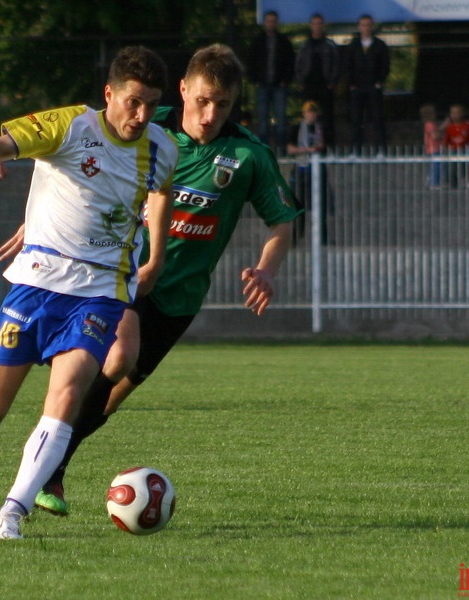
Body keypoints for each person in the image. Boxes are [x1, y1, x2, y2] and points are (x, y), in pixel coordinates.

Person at [25, 44, 300, 517]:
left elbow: (282, 222)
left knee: (112, 395)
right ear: (184, 90)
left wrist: (266, 269)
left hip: (181, 297)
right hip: (125, 272)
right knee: (118, 355)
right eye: (202, 100)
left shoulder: (247, 155)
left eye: (223, 104)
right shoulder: (148, 125)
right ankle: (43, 459)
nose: (211, 113)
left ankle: (53, 461)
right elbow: (80, 156)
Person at [0, 46, 178, 541]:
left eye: (150, 104)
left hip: (101, 292)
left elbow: (161, 189)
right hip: (37, 285)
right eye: (133, 101)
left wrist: (157, 253)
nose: (141, 114)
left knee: (66, 392)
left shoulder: (163, 148)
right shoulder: (71, 126)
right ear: (110, 94)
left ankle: (11, 512)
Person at [247, 10, 295, 157]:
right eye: (268, 20)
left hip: (279, 85)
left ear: (277, 22)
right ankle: (264, 152)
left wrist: (285, 81)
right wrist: (255, 81)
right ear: (264, 22)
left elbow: (290, 61)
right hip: (262, 85)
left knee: (281, 119)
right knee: (262, 121)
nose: (271, 23)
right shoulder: (258, 41)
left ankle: (281, 151)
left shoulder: (283, 41)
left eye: (273, 21)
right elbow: (251, 61)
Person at [344, 14, 390, 155]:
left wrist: (379, 81)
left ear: (372, 26)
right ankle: (356, 151)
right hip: (357, 87)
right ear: (359, 27)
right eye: (363, 25)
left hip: (373, 87)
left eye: (368, 25)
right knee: (356, 120)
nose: (366, 28)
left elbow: (385, 65)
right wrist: (351, 83)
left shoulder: (380, 45)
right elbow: (347, 65)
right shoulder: (353, 45)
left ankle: (381, 150)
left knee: (377, 119)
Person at [294, 13, 340, 145]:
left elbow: (336, 64)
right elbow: (298, 64)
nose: (317, 26)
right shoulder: (305, 45)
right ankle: (307, 145)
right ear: (310, 25)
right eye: (314, 23)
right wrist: (300, 82)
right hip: (308, 86)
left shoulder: (330, 45)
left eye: (320, 23)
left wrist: (332, 82)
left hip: (325, 86)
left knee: (327, 118)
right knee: (309, 117)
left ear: (323, 25)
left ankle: (328, 147)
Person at [287, 101, 326, 243]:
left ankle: (322, 237)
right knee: (298, 204)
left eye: (314, 112)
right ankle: (297, 235)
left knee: (320, 204)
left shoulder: (320, 128)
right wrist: (308, 150)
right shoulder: (297, 128)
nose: (312, 115)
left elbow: (323, 147)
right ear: (304, 113)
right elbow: (290, 149)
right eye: (309, 112)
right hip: (301, 168)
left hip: (316, 169)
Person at [443, 104, 469, 187]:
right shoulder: (449, 128)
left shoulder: (467, 126)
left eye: (457, 112)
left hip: (464, 150)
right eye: (453, 113)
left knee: (464, 166)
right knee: (452, 167)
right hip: (453, 150)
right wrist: (445, 149)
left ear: (462, 113)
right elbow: (446, 140)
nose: (455, 115)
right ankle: (452, 182)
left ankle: (465, 180)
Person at [420, 104, 442, 189]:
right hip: (434, 148)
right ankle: (434, 183)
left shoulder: (427, 124)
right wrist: (442, 136)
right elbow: (435, 136)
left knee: (432, 166)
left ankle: (430, 181)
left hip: (429, 149)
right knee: (435, 166)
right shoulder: (430, 124)